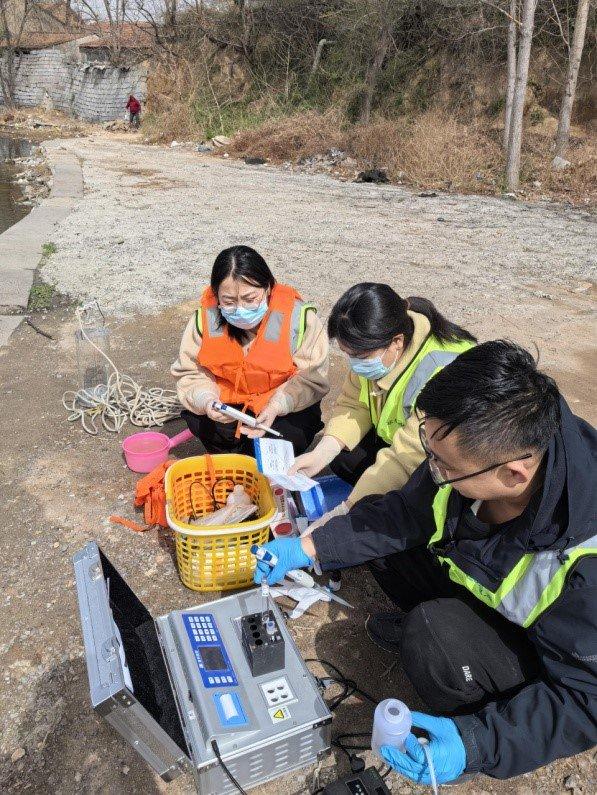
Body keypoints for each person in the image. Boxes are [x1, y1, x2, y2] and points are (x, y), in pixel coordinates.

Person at [253, 341, 597, 784]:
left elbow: (586, 699)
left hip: (550, 651)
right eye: (428, 449)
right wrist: (311, 547)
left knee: (438, 641)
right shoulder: (478, 452)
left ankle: (474, 694)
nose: (431, 468)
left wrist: (478, 740)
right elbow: (405, 511)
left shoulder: (585, 568)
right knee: (379, 540)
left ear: (514, 474)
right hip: (481, 578)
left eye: (444, 463)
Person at [291, 283, 475, 589]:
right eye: (347, 354)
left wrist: (345, 513)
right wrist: (321, 453)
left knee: (394, 513)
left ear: (396, 342)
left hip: (439, 463)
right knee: (341, 456)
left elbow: (405, 458)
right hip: (399, 442)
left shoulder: (442, 372)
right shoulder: (375, 343)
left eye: (359, 355)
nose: (353, 363)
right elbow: (354, 402)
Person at [172, 245, 329, 456]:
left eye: (250, 299)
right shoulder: (204, 319)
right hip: (228, 408)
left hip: (280, 408)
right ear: (216, 295)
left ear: (268, 288)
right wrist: (207, 400)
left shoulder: (299, 319)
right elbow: (190, 372)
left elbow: (312, 378)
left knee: (284, 438)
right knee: (202, 421)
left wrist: (276, 407)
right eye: (228, 301)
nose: (240, 309)